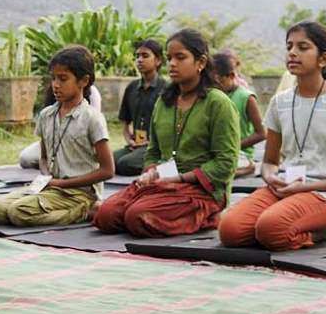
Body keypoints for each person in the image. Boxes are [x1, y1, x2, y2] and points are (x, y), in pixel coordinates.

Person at [219, 23, 326, 251]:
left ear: (324, 58)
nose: (292, 52)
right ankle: (282, 225)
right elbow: (270, 162)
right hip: (285, 187)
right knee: (229, 230)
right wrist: (271, 178)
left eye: (302, 47)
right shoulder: (280, 102)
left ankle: (323, 229)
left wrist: (307, 188)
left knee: (270, 229)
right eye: (289, 46)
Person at [93, 29, 240, 237]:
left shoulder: (218, 103)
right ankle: (160, 207)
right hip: (162, 182)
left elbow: (226, 162)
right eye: (170, 58)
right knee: (106, 215)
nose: (172, 63)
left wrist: (179, 179)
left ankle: (206, 216)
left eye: (180, 57)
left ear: (201, 62)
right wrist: (150, 172)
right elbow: (153, 151)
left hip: (201, 189)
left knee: (137, 217)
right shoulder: (165, 101)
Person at [0, 46, 114, 226]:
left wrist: (62, 184)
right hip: (51, 188)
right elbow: (43, 157)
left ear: (84, 81)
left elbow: (107, 170)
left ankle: (86, 210)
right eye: (54, 78)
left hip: (78, 193)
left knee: (19, 213)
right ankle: (55, 206)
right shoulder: (46, 115)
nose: (56, 85)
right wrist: (46, 177)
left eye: (63, 79)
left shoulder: (92, 118)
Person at [113, 40, 167, 176]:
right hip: (135, 145)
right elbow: (125, 122)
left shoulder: (166, 89)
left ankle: (164, 165)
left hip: (155, 148)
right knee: (108, 161)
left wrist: (149, 142)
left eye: (145, 56)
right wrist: (129, 140)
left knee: (125, 164)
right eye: (137, 56)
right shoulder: (131, 87)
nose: (139, 60)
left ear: (158, 61)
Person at [212, 51, 266, 176]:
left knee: (222, 168)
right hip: (215, 153)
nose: (214, 87)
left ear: (231, 76)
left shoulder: (246, 97)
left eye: (217, 82)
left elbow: (262, 133)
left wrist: (233, 147)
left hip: (239, 153)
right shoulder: (211, 96)